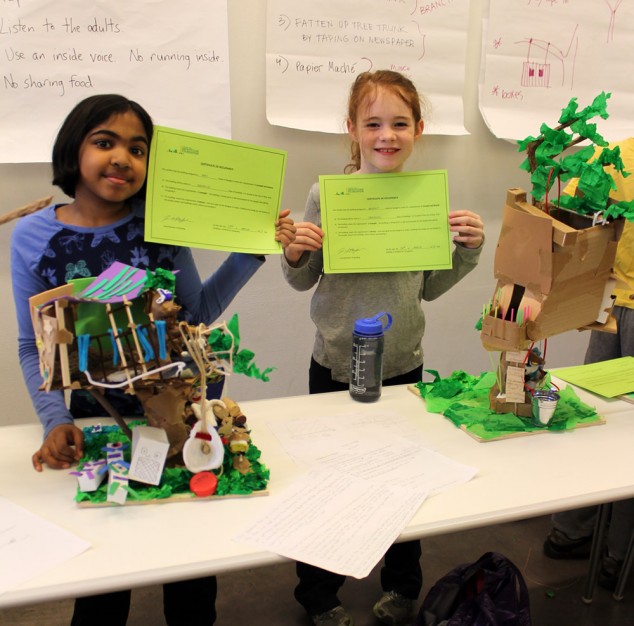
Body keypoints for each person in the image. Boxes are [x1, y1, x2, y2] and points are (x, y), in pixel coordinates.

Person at [9, 94, 295, 626]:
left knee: (191, 566)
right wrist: (54, 420)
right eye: (105, 142)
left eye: (138, 149)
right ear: (73, 149)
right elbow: (35, 345)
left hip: (178, 414)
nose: (122, 158)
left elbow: (197, 312)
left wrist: (252, 249)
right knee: (104, 572)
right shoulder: (33, 237)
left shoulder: (159, 224)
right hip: (98, 418)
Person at [281, 70, 485, 626]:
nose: (386, 135)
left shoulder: (424, 199)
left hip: (401, 365)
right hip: (334, 366)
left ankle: (401, 588)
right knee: (329, 480)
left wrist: (467, 251)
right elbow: (302, 279)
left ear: (418, 130)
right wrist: (296, 252)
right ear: (352, 129)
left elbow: (429, 288)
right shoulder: (326, 195)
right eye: (372, 124)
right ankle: (318, 595)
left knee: (402, 480)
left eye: (399, 123)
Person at [543, 138, 634, 591]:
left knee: (593, 416)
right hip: (619, 304)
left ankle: (570, 530)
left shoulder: (617, 153)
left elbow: (568, 209)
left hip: (610, 303)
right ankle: (618, 556)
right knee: (624, 434)